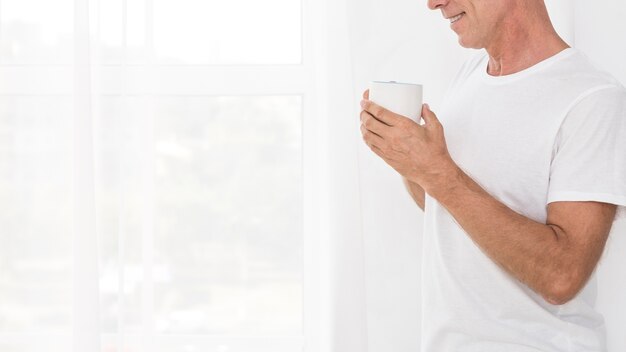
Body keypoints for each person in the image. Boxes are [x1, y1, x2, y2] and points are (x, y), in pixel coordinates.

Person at [359, 0, 626, 351]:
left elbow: (563, 277)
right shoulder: (471, 74)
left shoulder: (593, 99)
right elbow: (450, 213)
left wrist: (438, 173)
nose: (433, 3)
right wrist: (411, 163)